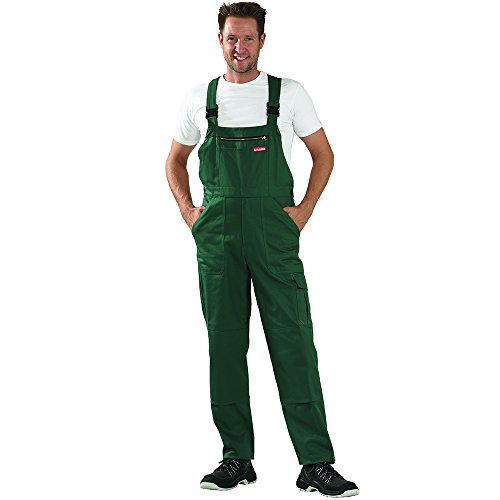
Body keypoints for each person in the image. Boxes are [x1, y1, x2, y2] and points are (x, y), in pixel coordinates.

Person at [165, 2, 359, 497]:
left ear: (262, 41)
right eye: (232, 38)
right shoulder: (200, 98)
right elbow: (174, 160)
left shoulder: (288, 94)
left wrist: (304, 211)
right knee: (225, 345)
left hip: (274, 234)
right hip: (217, 237)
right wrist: (189, 213)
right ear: (220, 40)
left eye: (248, 38)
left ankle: (315, 462)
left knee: (294, 343)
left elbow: (323, 154)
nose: (240, 47)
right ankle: (237, 458)